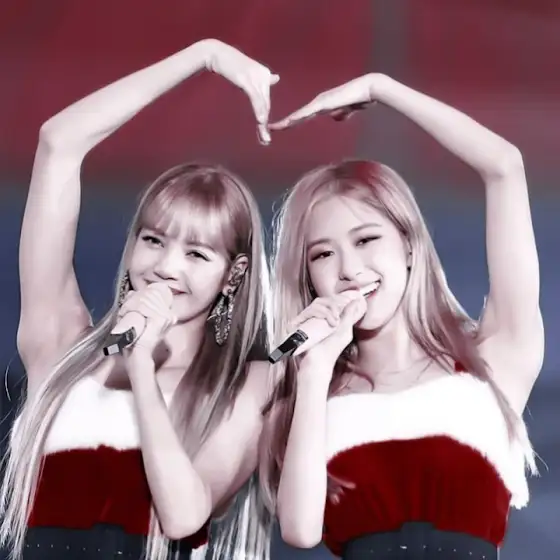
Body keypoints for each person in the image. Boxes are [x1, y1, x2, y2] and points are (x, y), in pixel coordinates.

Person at [0, 39, 278, 560]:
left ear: (233, 274)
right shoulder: (61, 347)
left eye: (196, 253)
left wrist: (144, 368)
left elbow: (185, 515)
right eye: (153, 240)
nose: (165, 266)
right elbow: (59, 142)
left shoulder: (248, 384)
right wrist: (204, 55)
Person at [257, 73, 544, 559]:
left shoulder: (490, 362)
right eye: (323, 254)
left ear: (409, 246)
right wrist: (314, 369)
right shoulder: (311, 392)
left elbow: (504, 166)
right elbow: (300, 531)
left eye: (366, 240)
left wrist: (380, 88)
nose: (350, 269)